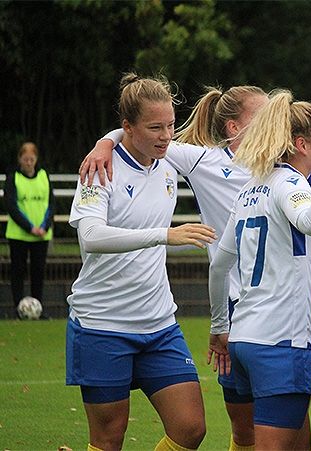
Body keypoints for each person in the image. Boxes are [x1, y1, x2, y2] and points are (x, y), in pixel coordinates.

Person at [79, 84, 311, 451]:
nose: (274, 123)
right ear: (234, 128)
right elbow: (142, 134)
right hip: (234, 306)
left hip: (293, 308)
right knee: (246, 427)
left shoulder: (294, 171)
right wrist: (105, 142)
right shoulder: (202, 161)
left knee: (291, 421)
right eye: (263, 117)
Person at [66, 73, 216, 451]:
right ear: (128, 127)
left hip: (159, 324)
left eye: (170, 125)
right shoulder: (99, 169)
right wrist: (165, 235)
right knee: (108, 439)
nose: (167, 136)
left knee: (190, 428)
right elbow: (91, 237)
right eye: (155, 127)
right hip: (102, 324)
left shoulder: (169, 163)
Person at [207, 89, 311, 450]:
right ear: (301, 145)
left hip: (244, 339)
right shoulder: (290, 183)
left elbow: (219, 266)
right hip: (280, 342)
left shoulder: (251, 188)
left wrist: (219, 326)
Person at [4, 142, 55, 319]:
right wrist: (29, 227)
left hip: (41, 235)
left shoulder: (43, 175)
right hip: (19, 234)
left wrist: (44, 226)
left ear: (36, 159)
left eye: (31, 159)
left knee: (38, 271)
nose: (28, 163)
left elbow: (50, 203)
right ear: (20, 159)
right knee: (18, 270)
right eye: (25, 159)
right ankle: (18, 309)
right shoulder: (13, 178)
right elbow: (11, 205)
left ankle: (38, 309)